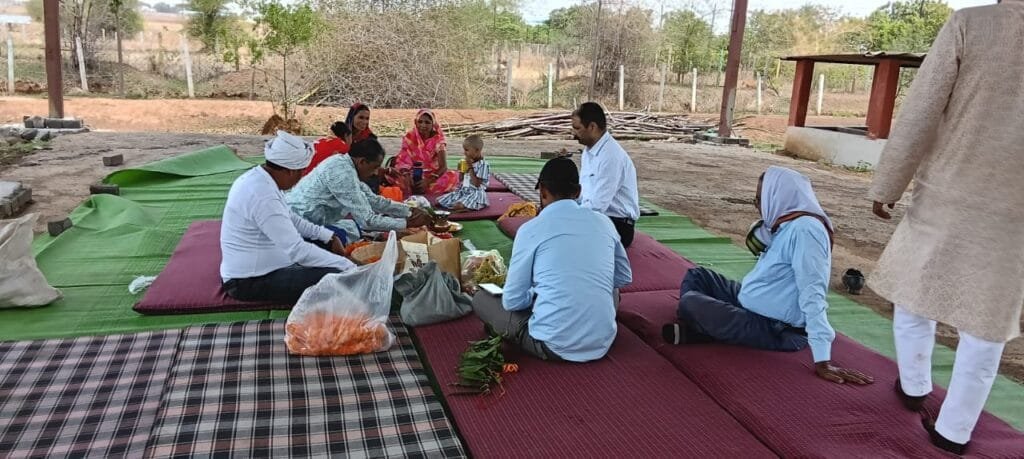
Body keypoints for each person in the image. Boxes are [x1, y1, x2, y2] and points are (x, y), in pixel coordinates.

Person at [868, 3, 1024, 454]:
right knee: (987, 323)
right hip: (1016, 212)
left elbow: (923, 105)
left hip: (950, 190)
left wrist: (889, 181)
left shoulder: (970, 24)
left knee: (915, 293)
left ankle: (914, 385)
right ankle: (954, 433)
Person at [663, 166, 873, 386]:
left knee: (691, 303)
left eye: (759, 200)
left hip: (774, 327)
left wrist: (822, 359)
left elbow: (814, 291)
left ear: (777, 197)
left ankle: (705, 329)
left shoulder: (806, 231)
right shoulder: (786, 224)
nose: (759, 207)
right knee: (697, 275)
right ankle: (709, 329)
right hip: (749, 302)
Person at [473, 157, 632, 362]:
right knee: (609, 286)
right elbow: (623, 278)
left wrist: (536, 293)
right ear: (578, 192)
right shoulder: (604, 222)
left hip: (552, 345)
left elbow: (513, 301)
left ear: (543, 191)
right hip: (603, 341)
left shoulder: (531, 229)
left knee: (481, 300)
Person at [220, 130, 356, 304]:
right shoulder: (263, 196)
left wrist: (329, 237)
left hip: (265, 262)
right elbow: (297, 250)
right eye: (301, 173)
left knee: (327, 247)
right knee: (338, 279)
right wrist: (346, 266)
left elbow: (291, 218)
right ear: (291, 172)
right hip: (248, 281)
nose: (300, 179)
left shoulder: (261, 177)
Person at [288, 138, 433, 242]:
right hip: (299, 221)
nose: (376, 173)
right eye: (375, 167)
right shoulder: (342, 173)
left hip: (315, 219)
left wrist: (409, 211)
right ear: (362, 162)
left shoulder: (348, 165)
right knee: (341, 237)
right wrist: (408, 223)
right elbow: (367, 220)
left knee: (352, 228)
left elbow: (374, 200)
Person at [570, 102, 640, 248]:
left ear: (592, 127)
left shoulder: (611, 156)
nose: (573, 133)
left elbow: (597, 206)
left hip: (617, 225)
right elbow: (585, 195)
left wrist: (569, 217)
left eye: (577, 128)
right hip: (598, 218)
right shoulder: (588, 151)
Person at [385, 109, 460, 197]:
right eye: (420, 122)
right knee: (392, 176)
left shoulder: (438, 139)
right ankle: (414, 187)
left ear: (433, 124)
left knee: (452, 177)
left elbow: (443, 166)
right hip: (411, 173)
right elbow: (403, 161)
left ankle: (419, 189)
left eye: (427, 122)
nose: (423, 125)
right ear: (416, 123)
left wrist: (427, 181)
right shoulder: (409, 137)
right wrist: (407, 176)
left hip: (432, 175)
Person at [437, 135, 490, 211]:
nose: (464, 153)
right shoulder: (468, 162)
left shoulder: (483, 164)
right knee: (439, 201)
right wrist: (461, 171)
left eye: (467, 150)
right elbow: (461, 180)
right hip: (463, 190)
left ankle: (470, 206)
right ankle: (464, 205)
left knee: (458, 206)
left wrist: (470, 167)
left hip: (475, 192)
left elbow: (477, 184)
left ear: (477, 150)